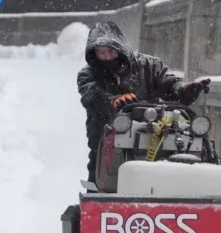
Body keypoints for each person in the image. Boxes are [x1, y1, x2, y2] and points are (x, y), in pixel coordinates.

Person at [77, 20, 211, 186]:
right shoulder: (87, 75)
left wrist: (185, 90)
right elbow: (92, 95)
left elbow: (169, 84)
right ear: (93, 53)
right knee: (101, 183)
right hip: (105, 143)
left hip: (153, 136)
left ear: (120, 48)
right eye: (101, 52)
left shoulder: (149, 66)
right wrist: (113, 101)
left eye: (111, 51)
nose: (107, 56)